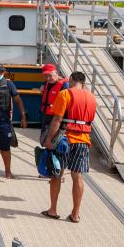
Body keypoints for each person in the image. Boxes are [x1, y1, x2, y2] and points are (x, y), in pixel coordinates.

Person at [41, 71, 96, 223]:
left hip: (64, 140)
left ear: (71, 79)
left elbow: (57, 119)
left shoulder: (65, 94)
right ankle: (75, 214)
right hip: (83, 140)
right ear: (84, 82)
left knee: (57, 173)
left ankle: (53, 210)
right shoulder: (92, 97)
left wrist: (49, 139)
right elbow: (90, 119)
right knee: (77, 176)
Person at [38, 64, 69, 142]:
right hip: (46, 115)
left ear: (56, 73)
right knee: (44, 140)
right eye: (46, 76)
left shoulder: (65, 85)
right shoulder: (48, 82)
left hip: (57, 118)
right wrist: (43, 85)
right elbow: (47, 82)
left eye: (50, 75)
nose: (48, 78)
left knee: (51, 141)